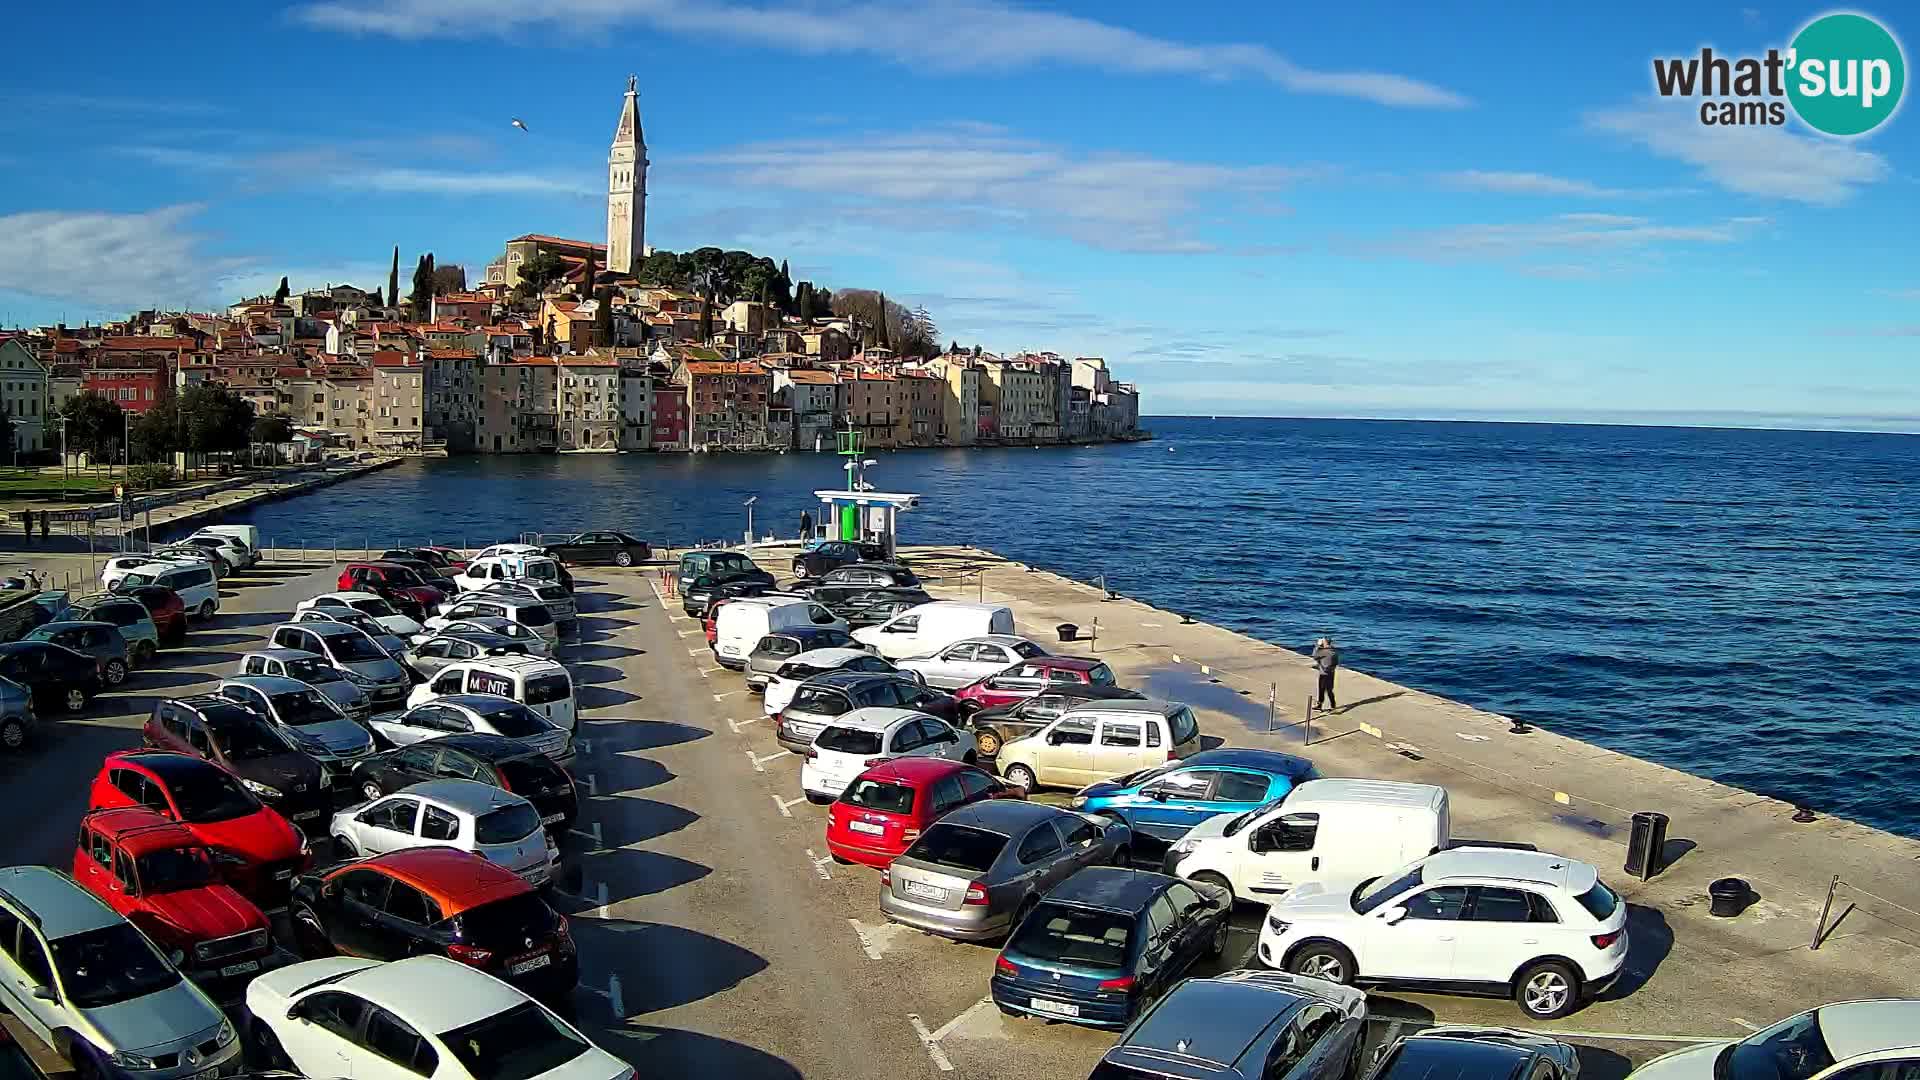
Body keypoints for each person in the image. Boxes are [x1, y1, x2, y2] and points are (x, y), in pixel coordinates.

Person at [1312, 637, 1340, 711]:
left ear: (1325, 643)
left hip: (1324, 674)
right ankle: (1333, 705)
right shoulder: (1333, 651)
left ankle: (1319, 705)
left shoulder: (1324, 652)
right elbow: (1336, 662)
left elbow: (1314, 655)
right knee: (1329, 690)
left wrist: (1317, 645)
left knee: (1321, 690)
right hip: (1331, 673)